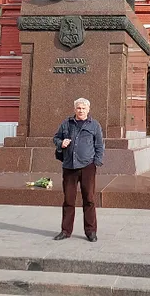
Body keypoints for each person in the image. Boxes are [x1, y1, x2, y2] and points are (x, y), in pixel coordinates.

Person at [53, 98, 104, 242]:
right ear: (75, 109)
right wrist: (60, 143)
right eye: (78, 108)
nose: (81, 110)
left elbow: (99, 145)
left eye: (83, 108)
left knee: (89, 199)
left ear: (88, 109)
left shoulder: (94, 125)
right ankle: (65, 231)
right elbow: (56, 138)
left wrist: (96, 162)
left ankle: (90, 231)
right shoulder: (66, 124)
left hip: (88, 166)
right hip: (69, 166)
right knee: (68, 200)